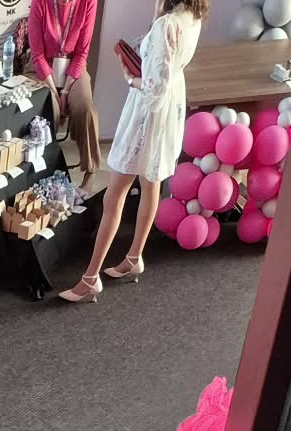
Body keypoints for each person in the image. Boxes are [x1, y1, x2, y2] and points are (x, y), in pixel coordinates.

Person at [60, 0, 207, 302]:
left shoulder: (167, 24)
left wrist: (130, 78)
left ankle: (90, 279)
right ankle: (134, 257)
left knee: (114, 196)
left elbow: (153, 90)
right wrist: (156, 16)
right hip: (169, 112)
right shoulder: (193, 16)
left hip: (146, 118)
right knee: (151, 184)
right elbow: (164, 65)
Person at [24, 0, 101, 186]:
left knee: (85, 109)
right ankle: (43, 172)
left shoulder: (88, 3)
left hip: (73, 67)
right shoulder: (40, 3)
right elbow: (37, 55)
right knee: (49, 108)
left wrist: (65, 91)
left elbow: (82, 53)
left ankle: (90, 170)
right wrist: (54, 91)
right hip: (41, 68)